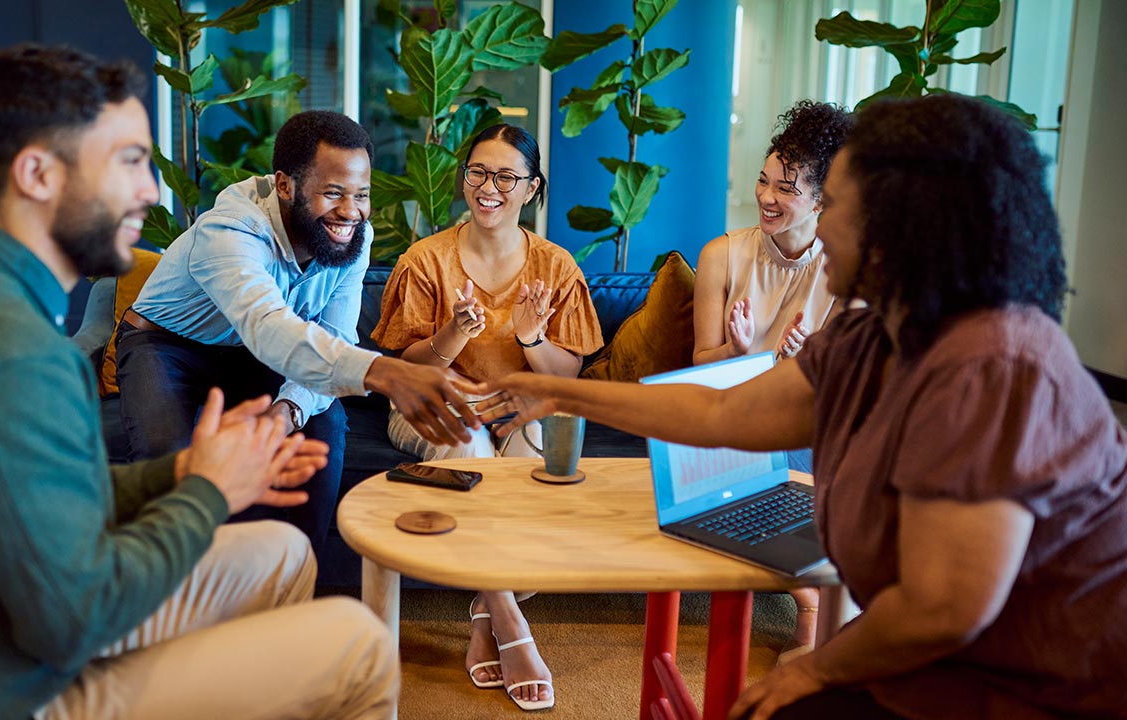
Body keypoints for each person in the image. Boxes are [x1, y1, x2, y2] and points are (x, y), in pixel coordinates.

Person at [469, 93, 1127, 719]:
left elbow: (943, 607)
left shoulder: (992, 363)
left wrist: (813, 667)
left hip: (1050, 691)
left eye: (833, 202)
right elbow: (723, 415)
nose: (820, 221)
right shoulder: (874, 335)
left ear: (900, 224)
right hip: (956, 672)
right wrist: (558, 391)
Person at [0, 44, 398, 720]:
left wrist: (184, 471)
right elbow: (72, 618)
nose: (149, 191)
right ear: (37, 174)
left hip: (4, 611)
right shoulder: (11, 352)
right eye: (130, 163)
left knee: (282, 551)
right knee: (361, 644)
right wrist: (206, 492)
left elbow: (50, 494)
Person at [115, 110, 478, 560]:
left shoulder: (352, 238)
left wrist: (286, 412)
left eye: (361, 195)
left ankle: (297, 580)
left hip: (256, 351)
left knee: (322, 430)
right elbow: (268, 327)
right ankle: (171, 594)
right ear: (285, 185)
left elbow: (332, 334)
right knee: (167, 454)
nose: (351, 211)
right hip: (168, 345)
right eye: (333, 193)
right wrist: (385, 373)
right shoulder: (230, 230)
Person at [371, 124, 603, 711]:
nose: (488, 187)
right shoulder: (426, 260)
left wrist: (530, 337)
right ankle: (507, 615)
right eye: (478, 173)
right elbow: (406, 365)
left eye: (506, 177)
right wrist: (454, 332)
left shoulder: (555, 267)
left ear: (532, 188)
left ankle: (482, 615)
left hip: (524, 406)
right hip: (435, 400)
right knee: (469, 440)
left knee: (535, 457)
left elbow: (564, 378)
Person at [692, 100, 853, 662]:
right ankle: (811, 604)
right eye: (763, 181)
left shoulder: (844, 267)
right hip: (727, 404)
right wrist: (742, 353)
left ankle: (812, 596)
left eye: (786, 188)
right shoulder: (721, 254)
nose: (766, 196)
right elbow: (700, 369)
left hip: (799, 417)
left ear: (822, 199)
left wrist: (808, 365)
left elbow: (843, 384)